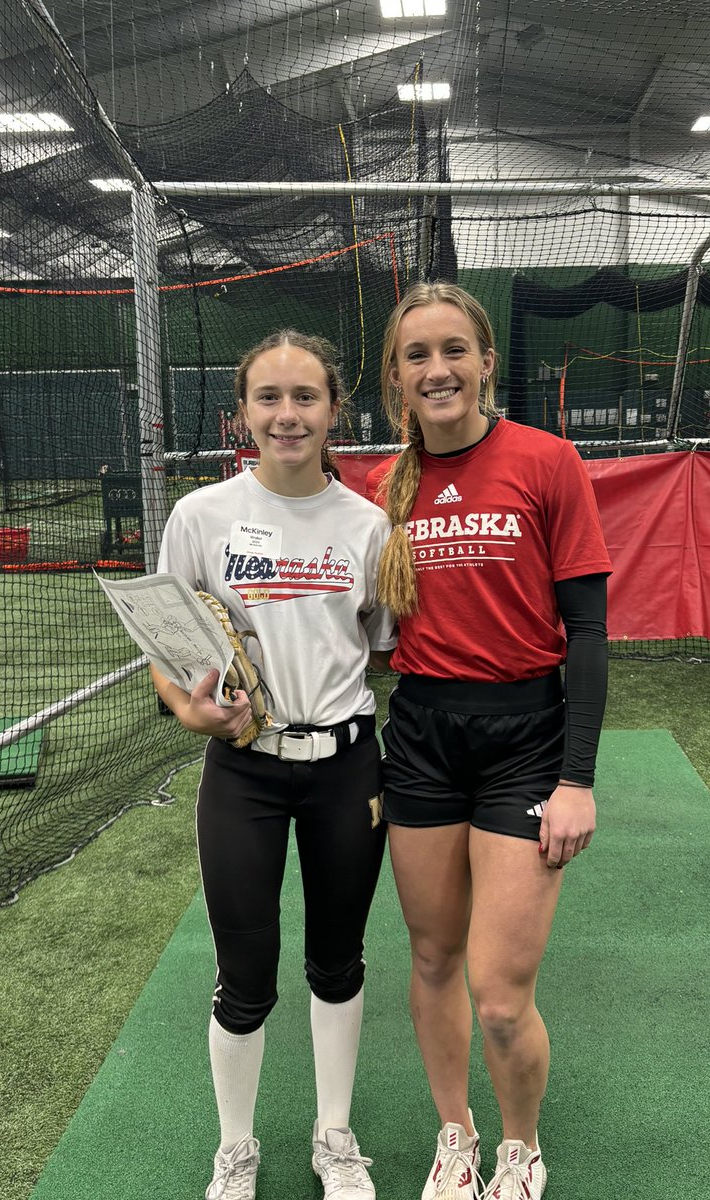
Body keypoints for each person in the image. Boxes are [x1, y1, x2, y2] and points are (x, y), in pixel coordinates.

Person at [370, 283, 612, 1200]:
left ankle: (520, 1145)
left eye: (453, 350)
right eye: (417, 355)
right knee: (432, 960)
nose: (438, 370)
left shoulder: (547, 462)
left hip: (527, 740)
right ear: (395, 377)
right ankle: (456, 1137)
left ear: (485, 362)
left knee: (502, 995)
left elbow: (586, 633)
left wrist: (577, 778)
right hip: (423, 736)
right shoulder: (380, 489)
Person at [150, 329, 396, 1200]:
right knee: (244, 972)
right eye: (269, 398)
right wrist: (195, 710)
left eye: (305, 398)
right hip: (244, 770)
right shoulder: (201, 516)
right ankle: (237, 1147)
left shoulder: (370, 526)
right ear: (244, 411)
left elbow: (379, 645)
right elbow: (170, 656)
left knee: (339, 960)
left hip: (345, 766)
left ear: (336, 410)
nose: (287, 415)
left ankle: (335, 1136)